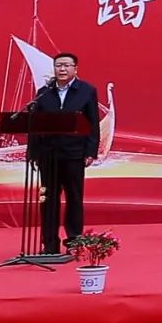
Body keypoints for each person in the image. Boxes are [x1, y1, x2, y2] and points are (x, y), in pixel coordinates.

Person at [28, 52, 101, 254]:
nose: (62, 69)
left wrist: (91, 151)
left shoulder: (86, 91)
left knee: (74, 198)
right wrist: (34, 152)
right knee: (48, 199)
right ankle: (50, 243)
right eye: (58, 65)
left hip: (74, 153)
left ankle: (74, 242)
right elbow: (36, 125)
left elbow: (93, 123)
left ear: (75, 69)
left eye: (66, 65)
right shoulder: (44, 92)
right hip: (48, 154)